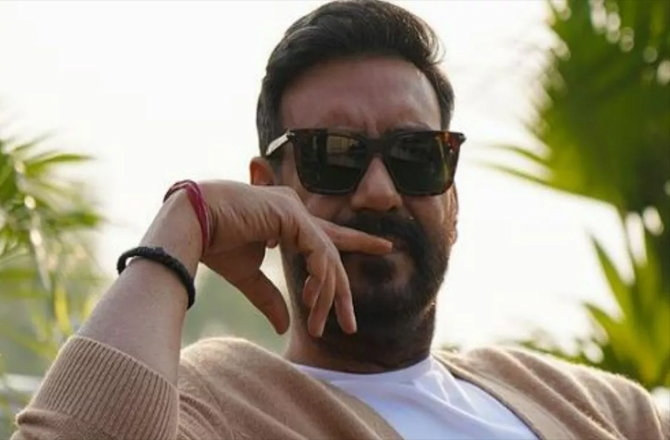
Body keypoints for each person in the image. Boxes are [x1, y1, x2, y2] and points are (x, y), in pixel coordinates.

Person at [11, 1, 668, 439]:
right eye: (333, 155)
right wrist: (184, 221)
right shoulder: (214, 408)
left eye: (416, 156)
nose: (379, 193)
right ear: (267, 192)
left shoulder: (587, 404)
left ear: (452, 197)